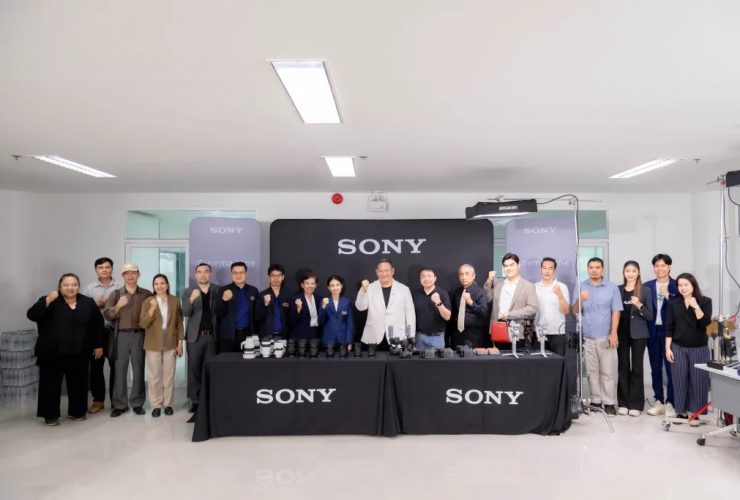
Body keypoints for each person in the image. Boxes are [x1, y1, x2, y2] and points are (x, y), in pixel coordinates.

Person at [28, 273, 105, 426]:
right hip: (52, 352)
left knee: (79, 384)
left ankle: (77, 412)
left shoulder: (88, 302)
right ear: (60, 286)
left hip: (79, 351)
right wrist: (47, 300)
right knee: (50, 385)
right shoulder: (50, 299)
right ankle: (50, 415)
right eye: (66, 285)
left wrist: (98, 345)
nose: (70, 288)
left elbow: (97, 324)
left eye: (74, 285)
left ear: (78, 286)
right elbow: (32, 315)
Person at [572, 257, 622, 416]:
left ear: (602, 269)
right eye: (591, 267)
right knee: (591, 372)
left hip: (606, 336)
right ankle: (595, 401)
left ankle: (609, 403)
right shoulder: (581, 286)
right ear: (588, 269)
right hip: (588, 337)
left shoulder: (612, 287)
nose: (594, 270)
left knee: (607, 372)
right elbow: (575, 310)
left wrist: (614, 333)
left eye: (597, 267)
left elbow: (616, 311)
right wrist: (581, 299)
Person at [105, 262, 152, 417]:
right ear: (123, 276)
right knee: (120, 370)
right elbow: (107, 315)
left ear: (138, 274)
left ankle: (137, 403)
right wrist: (118, 306)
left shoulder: (146, 294)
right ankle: (120, 405)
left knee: (139, 369)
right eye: (127, 273)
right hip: (121, 335)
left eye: (133, 272)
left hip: (140, 335)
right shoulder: (115, 294)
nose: (130, 276)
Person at [666, 273, 712, 423]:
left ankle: (695, 412)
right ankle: (681, 411)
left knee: (698, 380)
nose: (683, 288)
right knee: (679, 379)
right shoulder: (673, 303)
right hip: (678, 347)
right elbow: (669, 327)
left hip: (699, 348)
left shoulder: (705, 301)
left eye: (686, 285)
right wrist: (668, 348)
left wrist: (695, 306)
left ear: (693, 285)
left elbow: (705, 323)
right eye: (680, 285)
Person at [140, 274, 184, 417]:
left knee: (168, 376)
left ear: (167, 285)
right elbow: (143, 324)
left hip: (171, 342)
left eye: (162, 283)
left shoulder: (175, 300)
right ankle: (156, 405)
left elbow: (179, 323)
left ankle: (168, 404)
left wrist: (180, 343)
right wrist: (152, 309)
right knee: (154, 376)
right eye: (156, 284)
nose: (159, 286)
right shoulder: (148, 301)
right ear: (153, 286)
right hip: (152, 343)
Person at [82, 257, 120, 414]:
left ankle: (116, 400)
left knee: (116, 367)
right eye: (100, 267)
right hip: (95, 334)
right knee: (96, 368)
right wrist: (96, 305)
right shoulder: (89, 289)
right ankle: (98, 400)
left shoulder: (120, 286)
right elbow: (82, 311)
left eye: (107, 267)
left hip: (115, 332)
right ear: (96, 270)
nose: (104, 270)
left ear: (112, 269)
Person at [616, 261, 654, 416]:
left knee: (637, 368)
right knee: (623, 367)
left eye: (633, 271)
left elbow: (650, 316)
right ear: (623, 273)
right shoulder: (618, 290)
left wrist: (639, 305)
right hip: (621, 334)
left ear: (638, 272)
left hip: (639, 334)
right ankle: (623, 403)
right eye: (627, 271)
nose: (630, 274)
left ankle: (636, 405)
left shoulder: (645, 290)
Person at [643, 254, 678, 417]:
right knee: (655, 368)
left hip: (670, 333)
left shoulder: (677, 285)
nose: (660, 269)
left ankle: (671, 402)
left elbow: (680, 309)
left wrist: (667, 295)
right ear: (653, 268)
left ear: (669, 267)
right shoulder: (647, 286)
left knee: (671, 369)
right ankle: (658, 401)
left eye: (663, 265)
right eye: (657, 266)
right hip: (652, 331)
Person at [181, 263, 219, 414]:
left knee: (210, 369)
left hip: (212, 336)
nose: (203, 274)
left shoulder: (217, 290)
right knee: (194, 370)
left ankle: (209, 399)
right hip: (195, 337)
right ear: (196, 275)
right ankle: (195, 401)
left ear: (210, 273)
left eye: (206, 271)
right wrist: (191, 299)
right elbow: (185, 312)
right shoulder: (188, 291)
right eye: (200, 272)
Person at [355, 259, 415, 348]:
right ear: (376, 272)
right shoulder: (369, 288)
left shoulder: (404, 289)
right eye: (381, 271)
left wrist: (410, 337)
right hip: (373, 336)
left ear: (392, 271)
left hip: (398, 336)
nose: (384, 274)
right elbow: (360, 307)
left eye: (386, 270)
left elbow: (410, 315)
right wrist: (363, 290)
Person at [484, 253, 538, 349]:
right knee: (499, 357)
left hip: (517, 330)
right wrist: (489, 280)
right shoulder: (498, 283)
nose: (508, 268)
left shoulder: (528, 286)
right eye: (505, 266)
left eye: (512, 265)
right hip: (498, 329)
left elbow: (532, 308)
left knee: (516, 358)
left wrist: (510, 315)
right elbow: (488, 298)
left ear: (518, 265)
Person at [215, 262, 259, 352]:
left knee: (247, 360)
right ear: (231, 274)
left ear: (246, 273)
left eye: (241, 272)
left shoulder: (253, 290)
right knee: (228, 360)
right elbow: (218, 313)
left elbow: (256, 314)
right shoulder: (223, 290)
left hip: (248, 335)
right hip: (229, 335)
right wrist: (224, 300)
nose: (238, 275)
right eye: (235, 273)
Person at [534, 257, 570, 356]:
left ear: (555, 270)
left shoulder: (562, 287)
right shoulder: (535, 287)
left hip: (557, 332)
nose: (547, 271)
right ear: (540, 269)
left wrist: (560, 295)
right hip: (538, 332)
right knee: (538, 363)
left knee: (558, 362)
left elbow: (566, 310)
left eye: (550, 268)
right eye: (544, 268)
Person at [449, 264, 490, 348]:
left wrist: (471, 302)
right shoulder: (456, 292)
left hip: (473, 334)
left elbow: (483, 312)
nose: (464, 277)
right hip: (457, 334)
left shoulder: (480, 292)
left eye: (467, 274)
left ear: (473, 276)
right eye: (461, 274)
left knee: (472, 356)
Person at [412, 267, 451, 349]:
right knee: (418, 358)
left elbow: (447, 317)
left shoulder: (442, 293)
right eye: (423, 276)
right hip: (419, 337)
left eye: (429, 276)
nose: (426, 279)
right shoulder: (415, 294)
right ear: (420, 279)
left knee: (437, 358)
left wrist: (439, 303)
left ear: (435, 278)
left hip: (437, 338)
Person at [254, 264, 291, 339]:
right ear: (269, 277)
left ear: (283, 277)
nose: (276, 278)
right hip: (266, 336)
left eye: (279, 275)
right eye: (273, 275)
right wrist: (265, 305)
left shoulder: (289, 295)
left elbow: (291, 319)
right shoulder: (262, 295)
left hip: (284, 336)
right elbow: (257, 318)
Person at [318, 275, 354, 346]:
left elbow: (350, 323)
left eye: (337, 285)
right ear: (328, 287)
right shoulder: (323, 301)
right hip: (327, 340)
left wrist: (349, 341)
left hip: (343, 340)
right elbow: (320, 321)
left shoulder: (346, 302)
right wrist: (323, 306)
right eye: (332, 285)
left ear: (341, 286)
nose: (335, 288)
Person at [289, 270, 324, 340]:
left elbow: (322, 320)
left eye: (312, 283)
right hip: (299, 338)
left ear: (315, 285)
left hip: (315, 337)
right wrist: (298, 309)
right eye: (307, 283)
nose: (310, 286)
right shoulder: (295, 298)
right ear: (302, 285)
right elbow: (291, 321)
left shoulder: (319, 299)